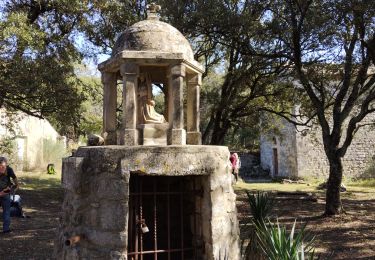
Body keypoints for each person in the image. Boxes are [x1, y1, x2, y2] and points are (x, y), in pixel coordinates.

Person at [0, 157, 19, 233]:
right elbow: (14, 178)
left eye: (4, 167)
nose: (2, 168)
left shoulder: (9, 169)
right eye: (1, 166)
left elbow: (14, 178)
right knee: (6, 211)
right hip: (3, 193)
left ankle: (6, 229)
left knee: (7, 211)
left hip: (5, 193)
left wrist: (17, 185)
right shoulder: (7, 169)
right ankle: (6, 229)